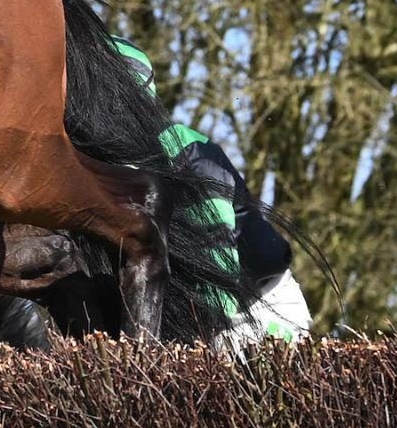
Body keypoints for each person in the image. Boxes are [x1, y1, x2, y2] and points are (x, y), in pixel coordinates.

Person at [111, 37, 312, 343]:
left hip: (253, 308)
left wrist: (194, 337)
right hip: (186, 311)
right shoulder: (106, 165)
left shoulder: (184, 151)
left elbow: (216, 263)